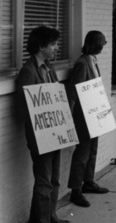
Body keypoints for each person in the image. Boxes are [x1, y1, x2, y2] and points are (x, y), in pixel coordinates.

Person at [17, 26, 70, 223]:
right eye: (53, 44)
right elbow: (25, 107)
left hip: (55, 133)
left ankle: (50, 215)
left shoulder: (49, 68)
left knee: (54, 180)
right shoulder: (28, 71)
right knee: (43, 182)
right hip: (41, 136)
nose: (56, 48)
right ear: (41, 46)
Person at [67, 31, 109, 208]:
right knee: (82, 152)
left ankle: (88, 181)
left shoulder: (92, 61)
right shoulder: (83, 63)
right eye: (102, 43)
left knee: (92, 149)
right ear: (95, 44)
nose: (103, 46)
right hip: (83, 116)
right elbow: (74, 91)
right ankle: (76, 191)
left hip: (94, 113)